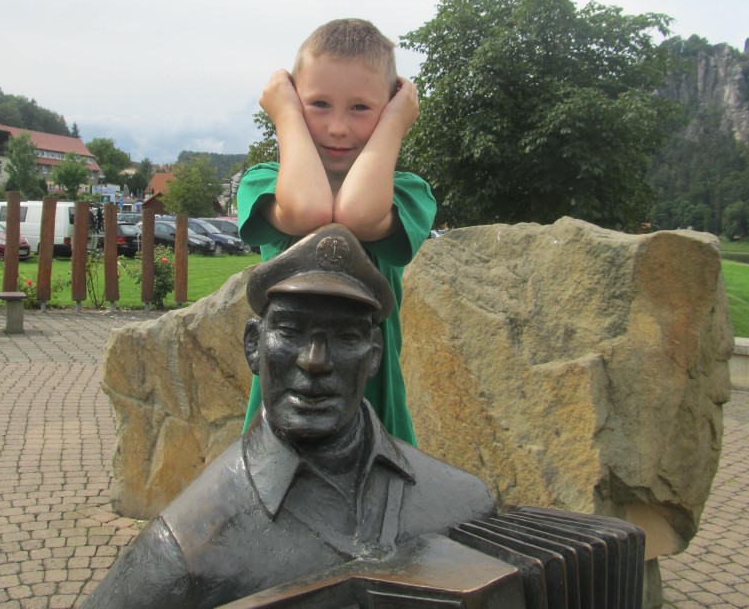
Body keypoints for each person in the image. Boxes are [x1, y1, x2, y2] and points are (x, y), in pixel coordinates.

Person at [78, 225, 495, 609]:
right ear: (253, 346)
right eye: (291, 331)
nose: (315, 361)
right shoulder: (185, 548)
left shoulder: (463, 504)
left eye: (345, 336)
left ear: (373, 356)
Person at [238, 18, 436, 446]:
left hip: (376, 420)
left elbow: (357, 215)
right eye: (319, 104)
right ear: (292, 99)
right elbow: (308, 209)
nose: (338, 127)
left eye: (361, 108)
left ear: (391, 106)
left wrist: (395, 121)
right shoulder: (263, 182)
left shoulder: (407, 194)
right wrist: (286, 113)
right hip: (284, 412)